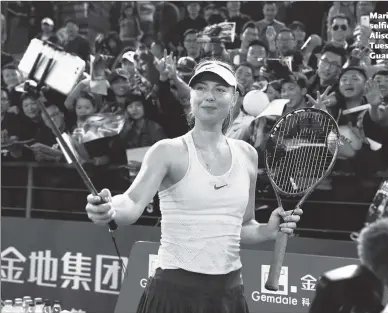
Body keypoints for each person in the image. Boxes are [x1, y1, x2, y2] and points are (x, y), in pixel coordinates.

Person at [85, 60, 302, 313]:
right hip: (173, 293)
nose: (209, 96)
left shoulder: (248, 155)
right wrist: (110, 207)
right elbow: (132, 203)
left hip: (229, 295)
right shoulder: (168, 150)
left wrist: (267, 230)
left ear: (234, 99)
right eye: (201, 88)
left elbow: (242, 226)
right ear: (191, 97)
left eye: (220, 90)